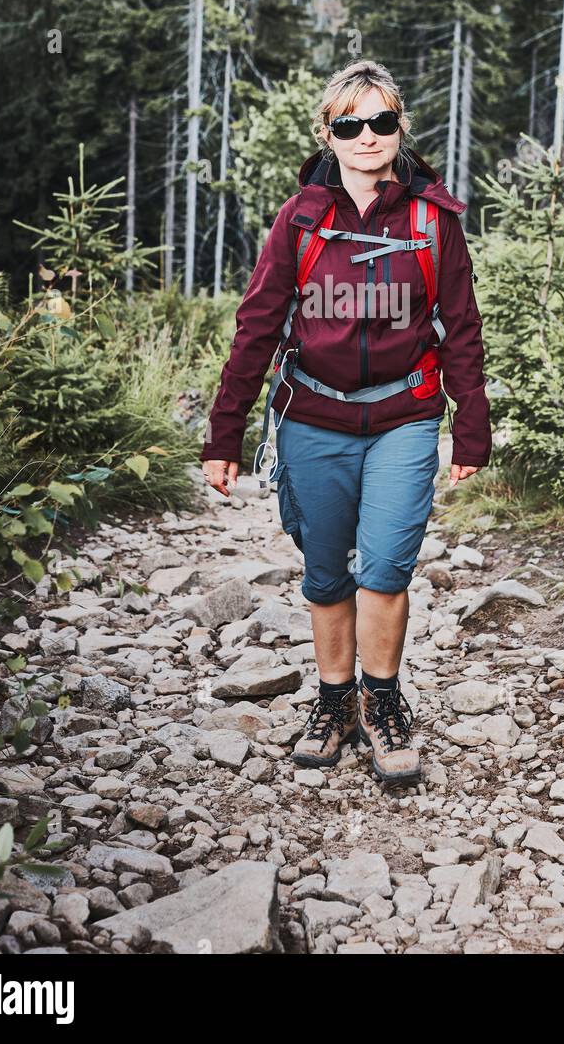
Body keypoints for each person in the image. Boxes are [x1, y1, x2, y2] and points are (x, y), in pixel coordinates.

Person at [200, 59, 492, 786]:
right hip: (313, 417)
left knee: (387, 566)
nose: (368, 135)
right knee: (327, 571)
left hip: (405, 417)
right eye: (350, 123)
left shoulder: (432, 221)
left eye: (382, 121)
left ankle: (382, 702)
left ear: (400, 128)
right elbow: (256, 328)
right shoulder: (300, 219)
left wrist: (473, 427)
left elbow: (461, 328)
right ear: (327, 133)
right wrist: (224, 434)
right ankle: (333, 702)